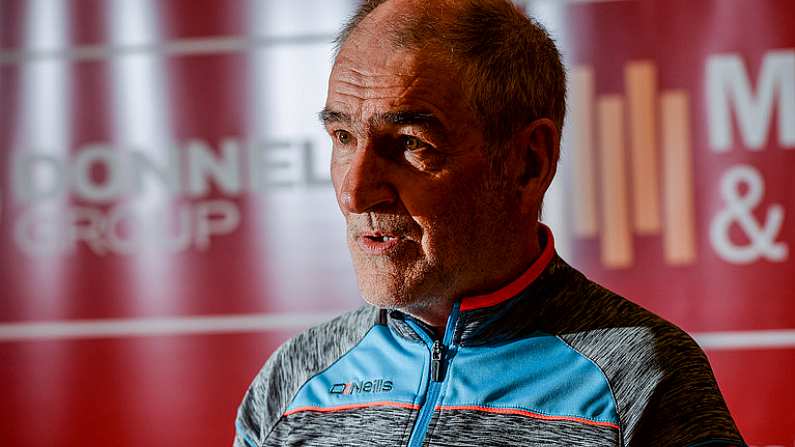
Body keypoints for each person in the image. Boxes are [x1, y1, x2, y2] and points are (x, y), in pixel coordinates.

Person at [234, 0, 746, 446]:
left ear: (528, 163)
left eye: (411, 143)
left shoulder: (642, 379)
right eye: (343, 137)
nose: (353, 192)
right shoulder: (293, 379)